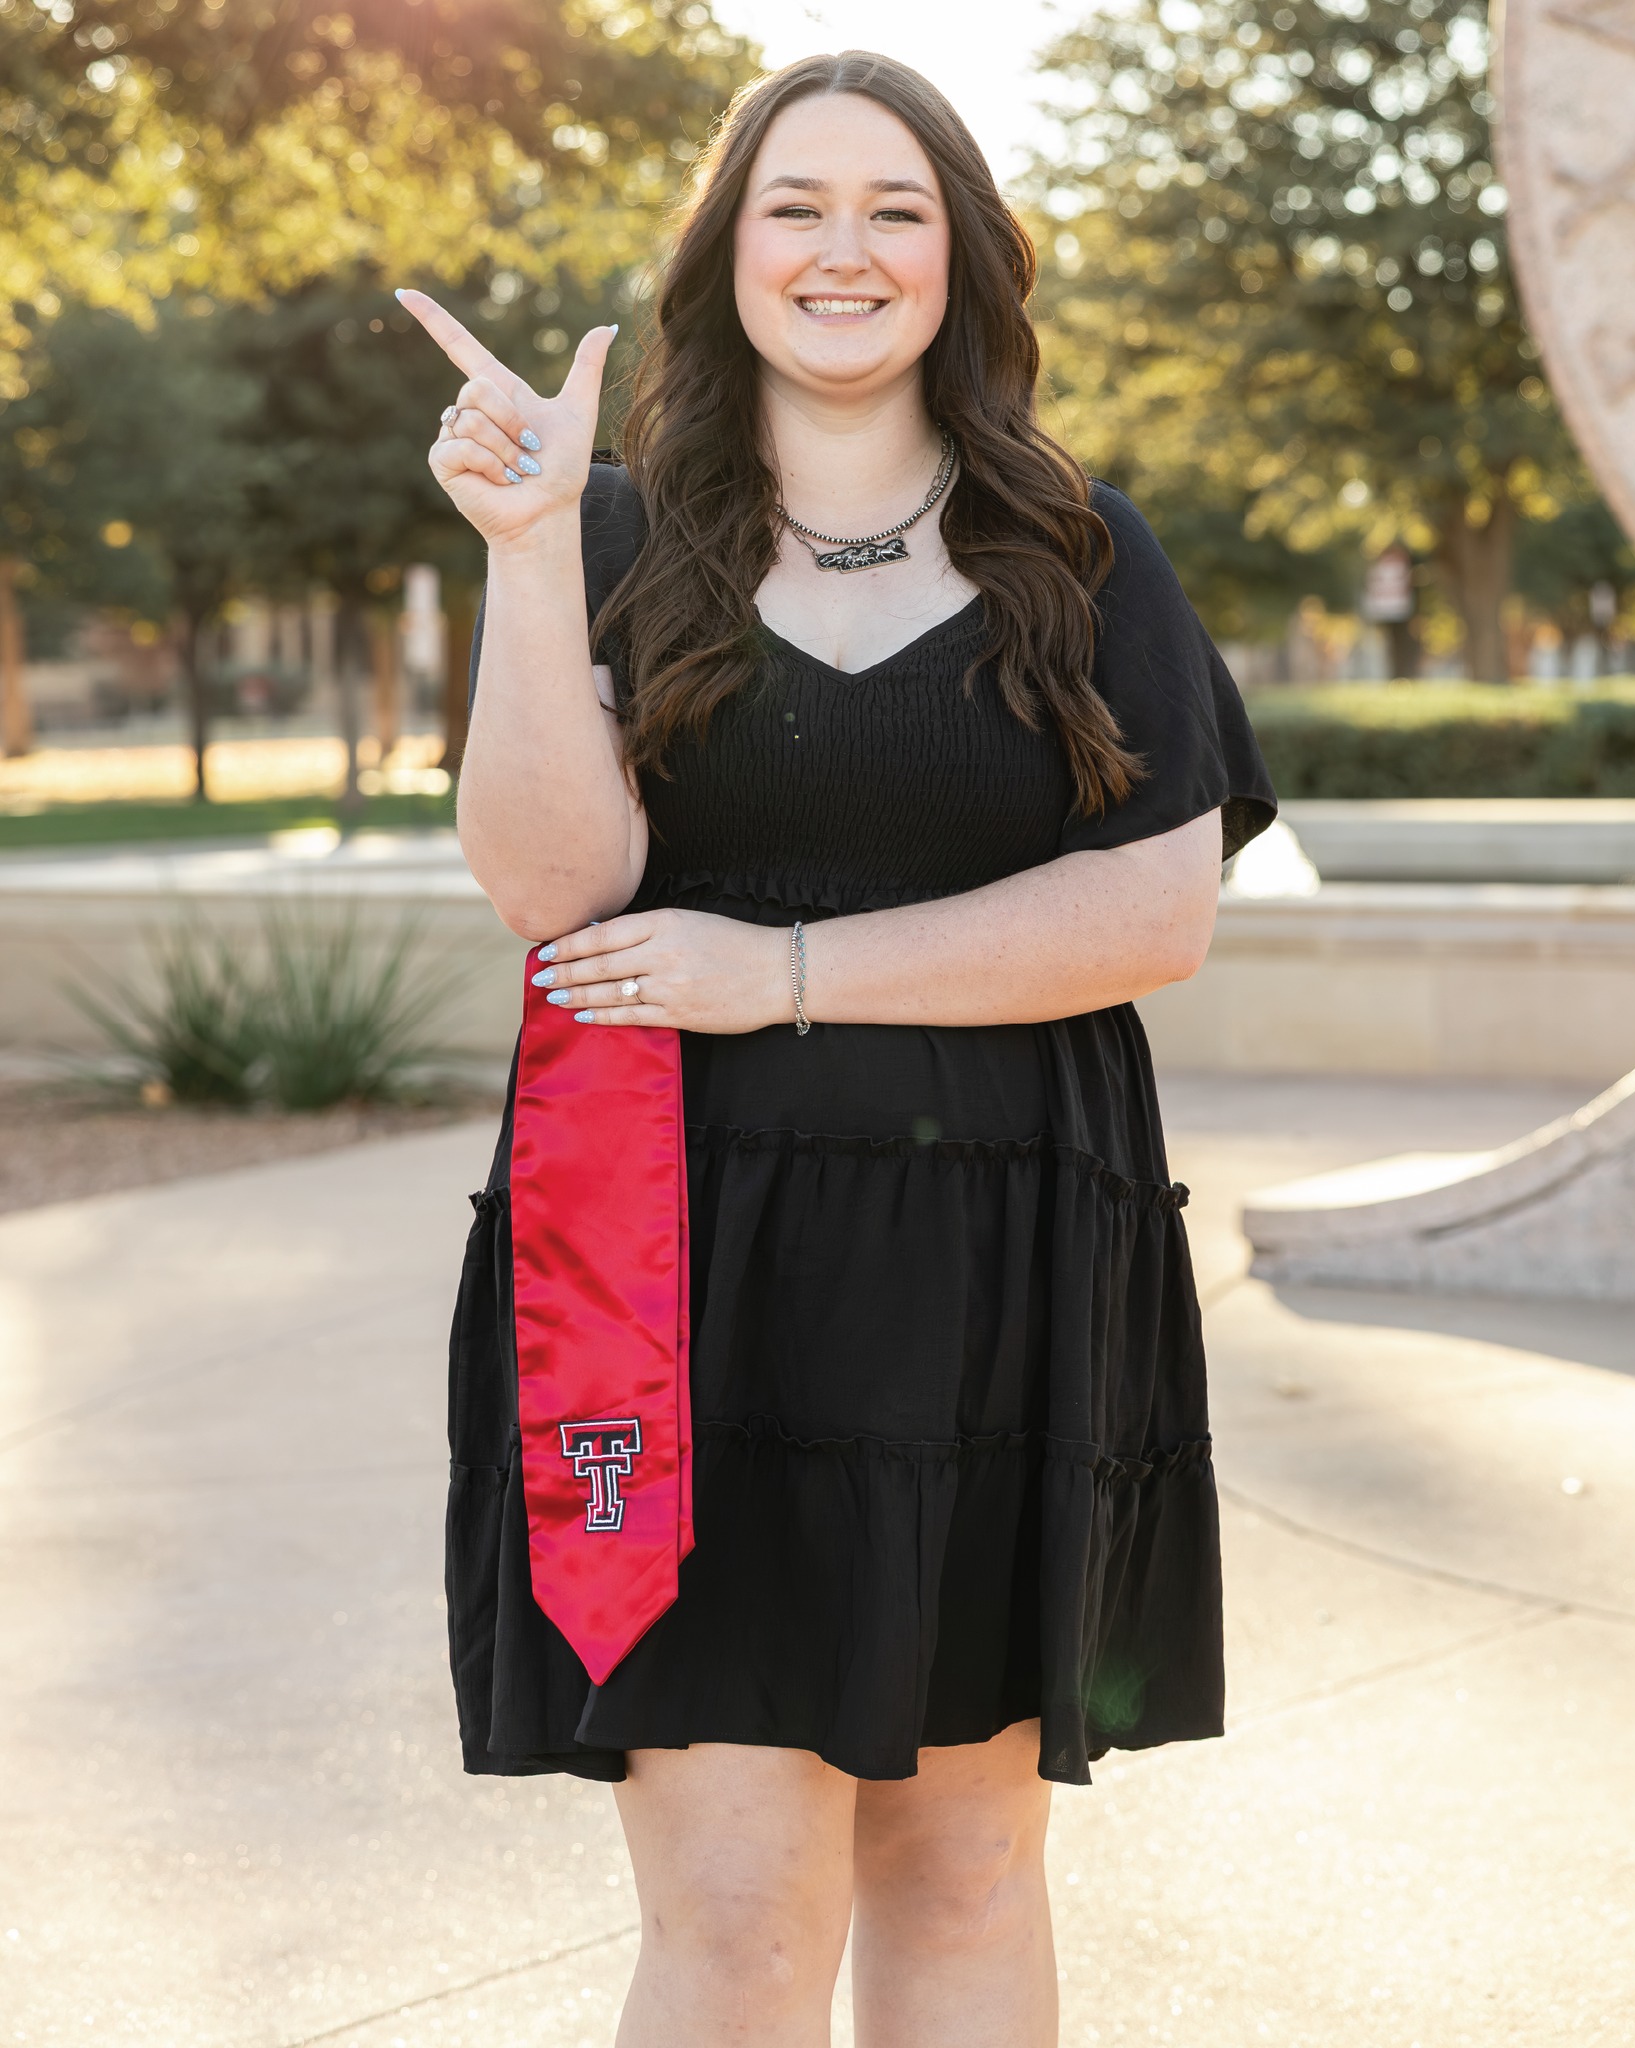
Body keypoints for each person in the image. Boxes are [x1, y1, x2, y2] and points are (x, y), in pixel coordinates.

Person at [401, 48, 1275, 2048]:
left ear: (962, 259)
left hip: (1006, 1268)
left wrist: (781, 975)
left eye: (898, 208)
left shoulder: (1079, 549)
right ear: (729, 254)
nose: (846, 249)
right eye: (796, 204)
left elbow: (1157, 910)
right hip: (675, 1275)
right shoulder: (615, 527)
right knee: (732, 1898)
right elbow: (554, 885)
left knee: (964, 1860)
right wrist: (530, 555)